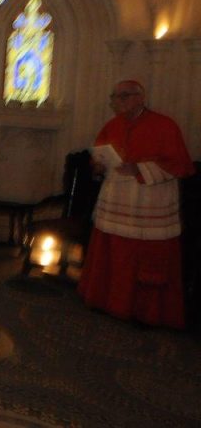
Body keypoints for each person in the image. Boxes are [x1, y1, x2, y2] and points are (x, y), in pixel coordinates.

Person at [80, 80, 194, 328]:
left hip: (150, 203)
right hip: (116, 201)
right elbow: (99, 159)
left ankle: (146, 312)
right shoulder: (112, 125)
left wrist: (139, 168)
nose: (118, 102)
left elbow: (180, 165)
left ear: (140, 98)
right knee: (113, 254)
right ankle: (107, 302)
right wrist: (97, 165)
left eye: (124, 96)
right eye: (115, 97)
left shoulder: (165, 125)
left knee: (144, 259)